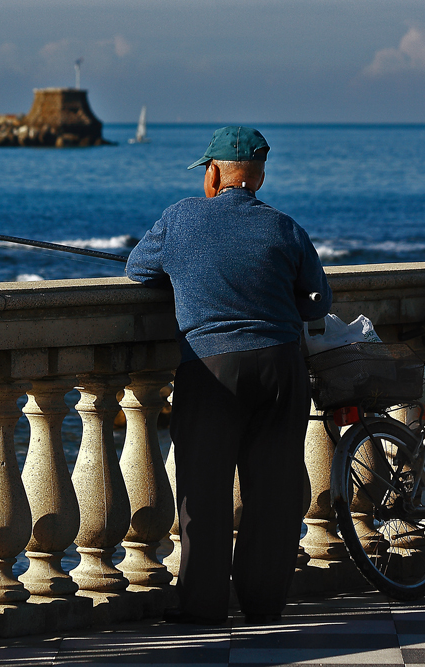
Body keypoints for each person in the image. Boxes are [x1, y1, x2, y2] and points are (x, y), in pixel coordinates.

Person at [125, 126, 332, 625]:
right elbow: (319, 301)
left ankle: (203, 607)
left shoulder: (180, 218)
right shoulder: (284, 227)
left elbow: (137, 269)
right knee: (274, 492)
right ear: (258, 177)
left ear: (214, 173)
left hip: (211, 366)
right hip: (282, 366)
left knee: (204, 492)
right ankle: (263, 604)